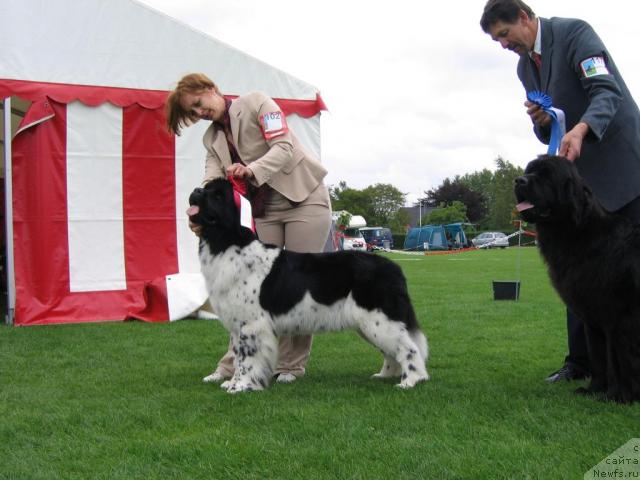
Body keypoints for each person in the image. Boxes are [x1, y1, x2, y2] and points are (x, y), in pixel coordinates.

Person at [481, 0, 640, 383]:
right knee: (577, 273)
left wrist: (583, 129)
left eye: (504, 34)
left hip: (622, 171)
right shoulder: (525, 67)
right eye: (496, 40)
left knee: (629, 281)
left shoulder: (575, 34)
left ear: (523, 16)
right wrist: (541, 122)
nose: (503, 45)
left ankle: (627, 373)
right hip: (580, 186)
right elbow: (552, 127)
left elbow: (607, 92)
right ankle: (584, 365)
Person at [165, 73, 332, 385]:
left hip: (304, 201)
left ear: (212, 89)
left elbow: (283, 147)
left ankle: (290, 365)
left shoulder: (257, 102)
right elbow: (212, 180)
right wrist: (201, 212)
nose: (200, 113)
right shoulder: (211, 139)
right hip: (264, 211)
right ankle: (233, 365)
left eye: (199, 104)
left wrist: (250, 170)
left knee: (296, 285)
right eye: (193, 112)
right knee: (250, 292)